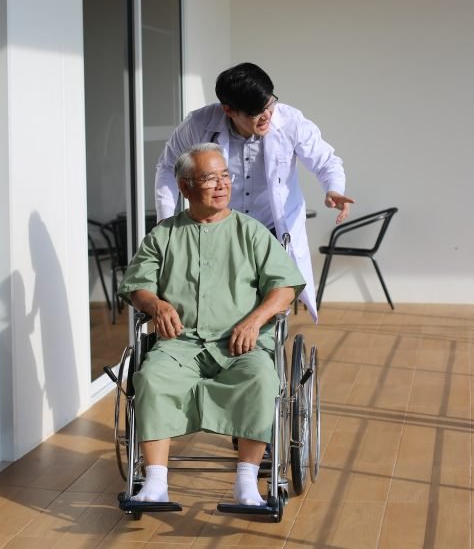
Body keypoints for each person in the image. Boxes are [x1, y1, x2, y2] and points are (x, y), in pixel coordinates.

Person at [119, 143, 305, 507]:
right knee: (151, 378)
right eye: (209, 178)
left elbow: (284, 288)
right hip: (179, 343)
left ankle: (247, 483)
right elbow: (136, 285)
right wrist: (155, 304)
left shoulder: (250, 231)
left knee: (262, 379)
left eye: (225, 176)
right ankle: (155, 483)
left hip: (241, 344)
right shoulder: (164, 235)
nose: (222, 185)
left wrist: (255, 321)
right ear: (186, 187)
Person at [155, 62, 353, 319]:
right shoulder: (199, 124)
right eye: (255, 113)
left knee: (271, 304)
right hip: (220, 229)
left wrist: (334, 189)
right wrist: (165, 220)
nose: (267, 115)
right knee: (222, 301)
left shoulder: (291, 121)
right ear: (228, 110)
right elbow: (167, 166)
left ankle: (266, 352)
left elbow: (327, 161)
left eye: (270, 104)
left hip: (272, 229)